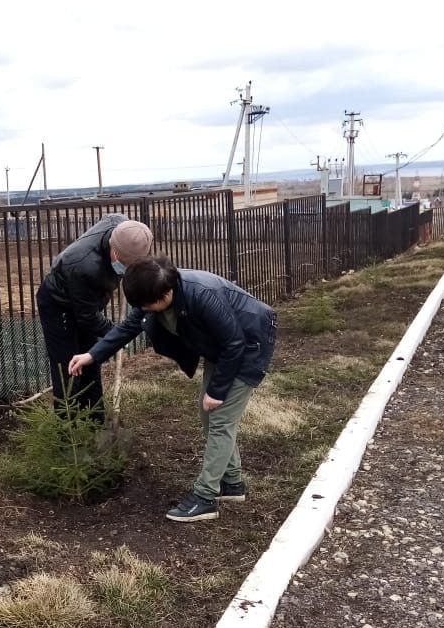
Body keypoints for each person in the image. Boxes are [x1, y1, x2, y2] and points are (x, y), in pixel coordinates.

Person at [68, 256, 276, 522]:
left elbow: (235, 343)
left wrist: (218, 391)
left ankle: (205, 497)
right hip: (224, 349)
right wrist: (92, 355)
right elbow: (129, 327)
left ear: (167, 292)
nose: (146, 310)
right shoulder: (154, 288)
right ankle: (232, 483)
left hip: (248, 345)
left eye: (149, 305)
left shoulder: (201, 294)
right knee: (208, 416)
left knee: (221, 421)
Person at [35, 214, 153, 420]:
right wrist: (117, 334)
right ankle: (68, 433)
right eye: (123, 263)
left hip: (87, 300)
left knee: (91, 358)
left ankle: (95, 421)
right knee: (69, 367)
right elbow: (87, 317)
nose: (124, 269)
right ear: (112, 248)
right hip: (59, 304)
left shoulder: (125, 230)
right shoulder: (83, 266)